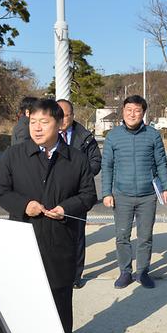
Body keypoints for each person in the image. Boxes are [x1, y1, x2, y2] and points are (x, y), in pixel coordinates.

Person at [0, 98, 97, 333]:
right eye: (33, 122)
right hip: (23, 238)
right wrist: (24, 205)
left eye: (44, 122)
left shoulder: (76, 159)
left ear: (60, 124)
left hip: (61, 240)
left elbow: (88, 195)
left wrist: (65, 208)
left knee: (60, 297)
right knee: (25, 299)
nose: (37, 128)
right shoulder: (15, 155)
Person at [101, 95, 167, 289]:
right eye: (128, 110)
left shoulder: (153, 135)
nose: (132, 114)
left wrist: (166, 187)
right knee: (122, 236)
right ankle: (125, 272)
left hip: (147, 195)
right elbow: (107, 166)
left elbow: (161, 162)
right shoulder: (113, 136)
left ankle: (142, 272)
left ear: (143, 113)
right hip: (121, 195)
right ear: (123, 112)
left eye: (137, 110)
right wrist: (107, 192)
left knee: (145, 236)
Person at [57, 98, 102, 288]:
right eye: (60, 115)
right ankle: (56, 272)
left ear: (73, 115)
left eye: (67, 115)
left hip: (77, 193)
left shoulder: (85, 137)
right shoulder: (46, 133)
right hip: (54, 193)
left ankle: (76, 275)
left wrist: (80, 175)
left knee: (77, 236)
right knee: (54, 236)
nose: (63, 119)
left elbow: (96, 162)